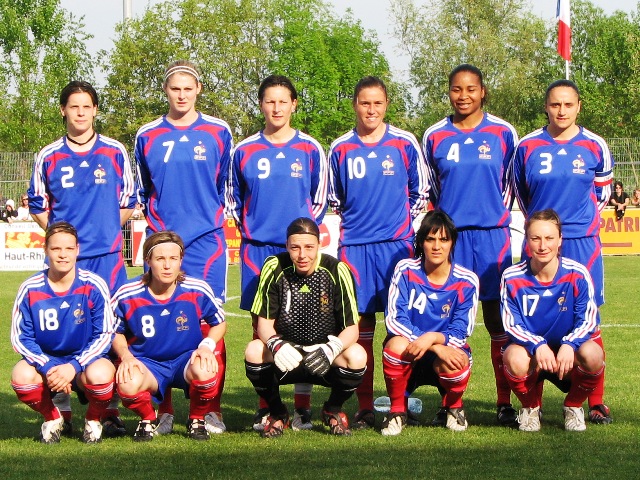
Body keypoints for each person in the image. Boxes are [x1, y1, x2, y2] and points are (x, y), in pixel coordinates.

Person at [28, 80, 135, 436]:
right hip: (66, 262)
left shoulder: (115, 151)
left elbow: (130, 202)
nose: (80, 112)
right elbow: (37, 204)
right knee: (61, 331)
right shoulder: (48, 155)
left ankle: (109, 410)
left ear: (95, 110)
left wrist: (104, 232)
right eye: (73, 106)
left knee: (113, 330)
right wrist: (62, 241)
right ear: (63, 110)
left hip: (107, 259)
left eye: (87, 106)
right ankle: (63, 410)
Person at [135, 60, 233, 432]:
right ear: (166, 91)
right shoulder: (147, 135)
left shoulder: (218, 131)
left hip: (206, 241)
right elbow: (144, 188)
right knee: (159, 321)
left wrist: (213, 218)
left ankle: (211, 409)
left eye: (188, 88)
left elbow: (226, 183)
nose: (181, 95)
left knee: (211, 321)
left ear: (198, 90)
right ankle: (165, 409)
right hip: (161, 239)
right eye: (175, 88)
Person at [227, 74, 328, 431]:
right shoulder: (244, 149)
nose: (277, 107)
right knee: (262, 331)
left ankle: (302, 408)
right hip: (258, 251)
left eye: (283, 101)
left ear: (294, 104)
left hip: (298, 251)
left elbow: (320, 198)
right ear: (261, 105)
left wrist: (301, 239)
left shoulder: (311, 148)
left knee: (306, 327)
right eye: (270, 101)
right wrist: (251, 230)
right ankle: (267, 406)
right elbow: (233, 198)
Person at [328, 76, 430, 428]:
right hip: (355, 250)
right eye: (364, 102)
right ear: (354, 104)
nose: (371, 109)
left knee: (401, 326)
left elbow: (420, 192)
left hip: (396, 249)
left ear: (386, 105)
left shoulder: (404, 143)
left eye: (377, 103)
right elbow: (335, 199)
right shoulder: (340, 147)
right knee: (360, 327)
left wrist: (397, 228)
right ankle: (366, 406)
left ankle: (400, 404)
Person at [512, 79, 613, 424]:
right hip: (542, 242)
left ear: (578, 106)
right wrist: (544, 230)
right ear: (546, 106)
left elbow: (602, 193)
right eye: (555, 104)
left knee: (590, 317)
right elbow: (521, 193)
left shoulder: (595, 145)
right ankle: (532, 406)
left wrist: (579, 226)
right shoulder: (528, 146)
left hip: (583, 243)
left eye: (568, 104)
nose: (562, 111)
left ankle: (594, 402)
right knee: (534, 313)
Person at [422, 64, 519, 425]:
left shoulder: (504, 133)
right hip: (451, 240)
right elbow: (432, 190)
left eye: (471, 89)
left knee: (497, 319)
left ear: (483, 92)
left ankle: (503, 402)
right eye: (456, 90)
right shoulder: (434, 136)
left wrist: (491, 213)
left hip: (492, 238)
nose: (463, 96)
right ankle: (452, 403)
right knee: (446, 320)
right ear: (448, 93)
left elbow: (512, 183)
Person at [245, 217, 366, 437]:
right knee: (254, 351)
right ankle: (278, 413)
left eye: (309, 247)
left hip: (325, 355)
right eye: (295, 247)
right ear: (287, 246)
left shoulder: (338, 270)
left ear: (319, 245)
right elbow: (263, 323)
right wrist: (276, 345)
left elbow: (352, 329)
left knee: (357, 356)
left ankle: (333, 409)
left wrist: (332, 349)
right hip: (287, 354)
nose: (302, 255)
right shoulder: (274, 266)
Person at [111, 231, 226, 441]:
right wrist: (126, 356)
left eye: (173, 259)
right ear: (148, 261)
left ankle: (196, 418)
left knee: (207, 370)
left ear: (180, 260)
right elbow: (115, 332)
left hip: (185, 360)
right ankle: (148, 418)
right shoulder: (128, 293)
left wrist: (206, 345)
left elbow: (218, 323)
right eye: (160, 259)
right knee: (127, 383)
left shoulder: (197, 289)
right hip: (147, 363)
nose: (167, 265)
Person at [10, 222, 116, 444]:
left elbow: (105, 334)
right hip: (47, 362)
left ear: (77, 250)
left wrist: (74, 366)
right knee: (21, 377)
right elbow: (21, 338)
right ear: (45, 250)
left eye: (69, 249)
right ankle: (53, 417)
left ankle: (92, 420)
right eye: (56, 249)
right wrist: (48, 367)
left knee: (102, 376)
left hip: (86, 361)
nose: (63, 255)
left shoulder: (94, 284)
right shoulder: (30, 288)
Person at [501, 209, 604, 432]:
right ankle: (530, 409)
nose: (542, 245)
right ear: (527, 241)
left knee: (594, 355)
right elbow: (511, 324)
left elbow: (587, 320)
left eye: (549, 238)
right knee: (513, 356)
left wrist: (569, 344)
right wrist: (537, 345)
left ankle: (573, 406)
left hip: (567, 355)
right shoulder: (512, 277)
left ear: (559, 241)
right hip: (533, 354)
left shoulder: (578, 273)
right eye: (535, 238)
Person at [382, 211, 477, 435]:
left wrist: (435, 339)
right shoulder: (405, 270)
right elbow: (395, 320)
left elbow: (462, 330)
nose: (437, 246)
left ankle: (454, 408)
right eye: (430, 239)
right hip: (412, 351)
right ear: (421, 242)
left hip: (443, 352)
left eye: (443, 239)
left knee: (458, 359)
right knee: (394, 345)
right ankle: (397, 412)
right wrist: (431, 343)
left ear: (452, 242)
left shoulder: (467, 280)